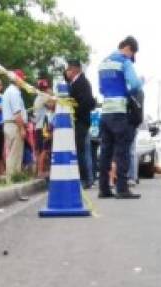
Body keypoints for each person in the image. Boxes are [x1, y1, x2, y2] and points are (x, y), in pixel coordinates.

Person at [98, 36, 143, 199]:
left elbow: (101, 89)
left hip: (106, 111)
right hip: (119, 111)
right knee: (122, 151)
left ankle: (104, 188)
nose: (132, 57)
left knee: (105, 151)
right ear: (129, 49)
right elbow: (135, 84)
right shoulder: (125, 62)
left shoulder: (103, 63)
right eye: (132, 54)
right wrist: (132, 89)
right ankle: (122, 189)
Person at [65, 58, 97, 189]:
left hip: (81, 121)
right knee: (80, 150)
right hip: (78, 120)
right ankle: (85, 177)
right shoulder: (74, 83)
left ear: (76, 69)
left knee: (81, 151)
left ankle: (85, 179)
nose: (68, 72)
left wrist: (73, 110)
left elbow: (87, 102)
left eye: (69, 69)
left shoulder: (82, 82)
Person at [2, 69, 29, 180]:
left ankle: (12, 176)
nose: (23, 81)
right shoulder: (14, 92)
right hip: (14, 125)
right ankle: (13, 177)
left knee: (12, 152)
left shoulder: (10, 91)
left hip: (10, 125)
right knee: (15, 153)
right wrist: (22, 128)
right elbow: (17, 113)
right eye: (22, 79)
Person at [33, 78, 55, 178]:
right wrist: (51, 93)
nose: (46, 90)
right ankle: (40, 171)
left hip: (38, 126)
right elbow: (53, 105)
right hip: (43, 126)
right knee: (44, 150)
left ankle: (38, 171)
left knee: (39, 150)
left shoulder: (37, 98)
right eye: (44, 88)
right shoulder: (44, 97)